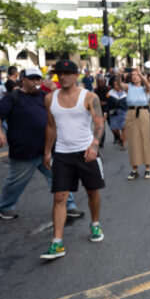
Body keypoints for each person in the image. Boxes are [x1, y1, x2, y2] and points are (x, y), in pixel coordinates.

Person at [0, 68, 83, 219]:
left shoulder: (46, 96)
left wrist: (56, 90)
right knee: (15, 182)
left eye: (38, 79)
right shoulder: (13, 97)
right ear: (23, 80)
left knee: (59, 177)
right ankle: (4, 207)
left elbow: (67, 107)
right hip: (24, 150)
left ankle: (69, 205)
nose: (35, 82)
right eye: (32, 79)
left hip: (48, 148)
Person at [41, 60, 105, 260]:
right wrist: (47, 152)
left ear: (76, 75)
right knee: (59, 197)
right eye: (59, 73)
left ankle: (95, 225)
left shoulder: (89, 97)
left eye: (67, 73)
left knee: (92, 192)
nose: (62, 76)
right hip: (62, 154)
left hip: (86, 152)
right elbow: (51, 127)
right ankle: (57, 243)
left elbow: (99, 123)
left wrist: (94, 145)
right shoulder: (50, 98)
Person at [125, 69, 150, 180]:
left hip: (143, 112)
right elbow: (119, 84)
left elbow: (148, 85)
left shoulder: (145, 87)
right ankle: (135, 170)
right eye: (132, 75)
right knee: (133, 141)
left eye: (136, 75)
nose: (134, 77)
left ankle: (147, 169)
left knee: (146, 139)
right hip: (131, 112)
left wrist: (142, 75)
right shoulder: (129, 87)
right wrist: (119, 75)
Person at [107, 76, 128, 150]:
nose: (117, 86)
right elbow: (108, 104)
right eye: (115, 84)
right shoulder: (110, 93)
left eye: (118, 84)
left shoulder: (126, 92)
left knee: (124, 127)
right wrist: (106, 113)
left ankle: (124, 144)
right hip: (114, 113)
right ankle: (119, 138)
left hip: (125, 112)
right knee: (114, 129)